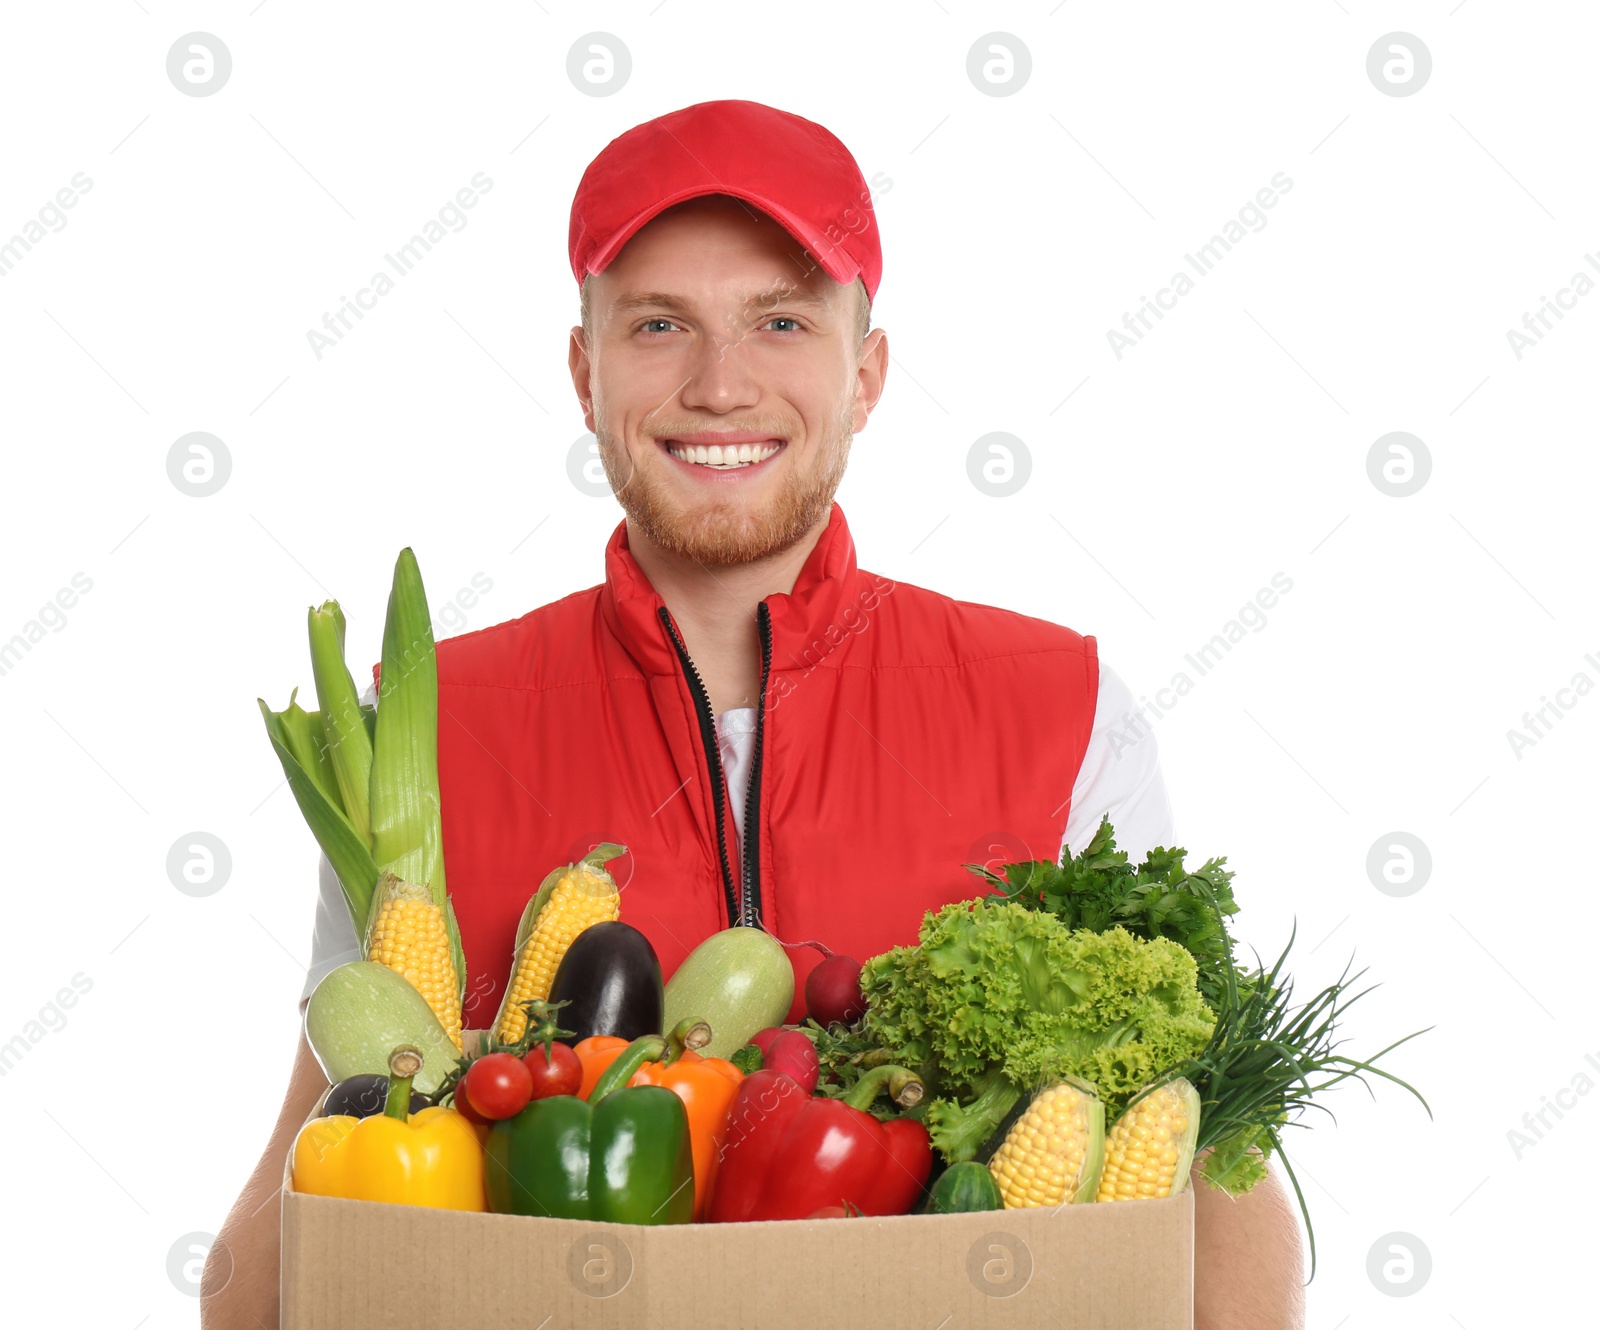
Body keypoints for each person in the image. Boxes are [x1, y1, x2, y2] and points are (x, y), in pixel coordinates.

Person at [204, 100, 1304, 1328]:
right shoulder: (430, 724)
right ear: (585, 371)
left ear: (866, 372)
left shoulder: (1058, 704)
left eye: (780, 321)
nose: (719, 385)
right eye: (659, 324)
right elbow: (290, 1222)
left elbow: (1215, 1190)